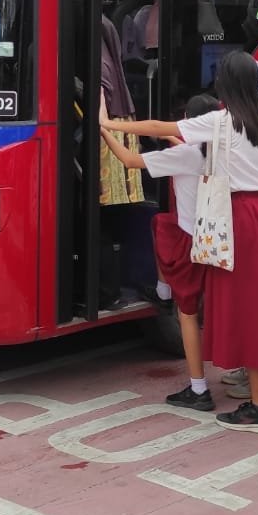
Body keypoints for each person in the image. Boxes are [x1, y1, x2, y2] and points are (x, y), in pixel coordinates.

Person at [107, 51, 258, 435]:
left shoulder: (221, 122)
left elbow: (159, 126)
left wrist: (107, 122)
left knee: (249, 312)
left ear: (225, 84)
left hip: (241, 216)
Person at [101, 94, 222, 411]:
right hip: (219, 240)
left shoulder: (184, 155)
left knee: (187, 315)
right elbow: (190, 148)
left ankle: (199, 389)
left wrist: (104, 131)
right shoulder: (223, 151)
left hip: (190, 242)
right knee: (161, 223)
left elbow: (129, 160)